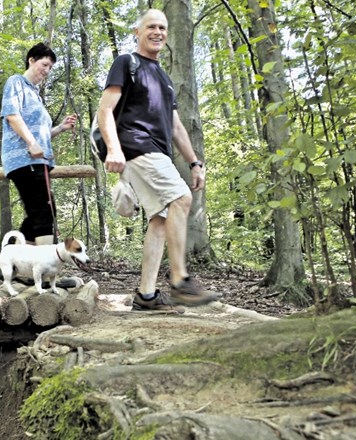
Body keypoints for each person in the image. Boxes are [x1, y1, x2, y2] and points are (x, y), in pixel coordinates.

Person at [96, 9, 220, 312]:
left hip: (155, 150)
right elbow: (105, 110)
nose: (158, 32)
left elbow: (176, 125)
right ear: (137, 32)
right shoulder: (127, 63)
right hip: (136, 145)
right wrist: (113, 148)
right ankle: (180, 282)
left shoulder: (164, 78)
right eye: (151, 26)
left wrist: (194, 162)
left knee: (160, 220)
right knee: (181, 198)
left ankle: (146, 295)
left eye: (163, 27)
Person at [1, 42, 77, 246]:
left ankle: (16, 263)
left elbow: (41, 135)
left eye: (50, 67)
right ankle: (45, 273)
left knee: (38, 213)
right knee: (43, 211)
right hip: (23, 159)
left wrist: (60, 128)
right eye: (44, 64)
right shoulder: (16, 82)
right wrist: (32, 143)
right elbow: (12, 116)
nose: (47, 70)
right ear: (31, 60)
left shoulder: (35, 93)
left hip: (37, 159)